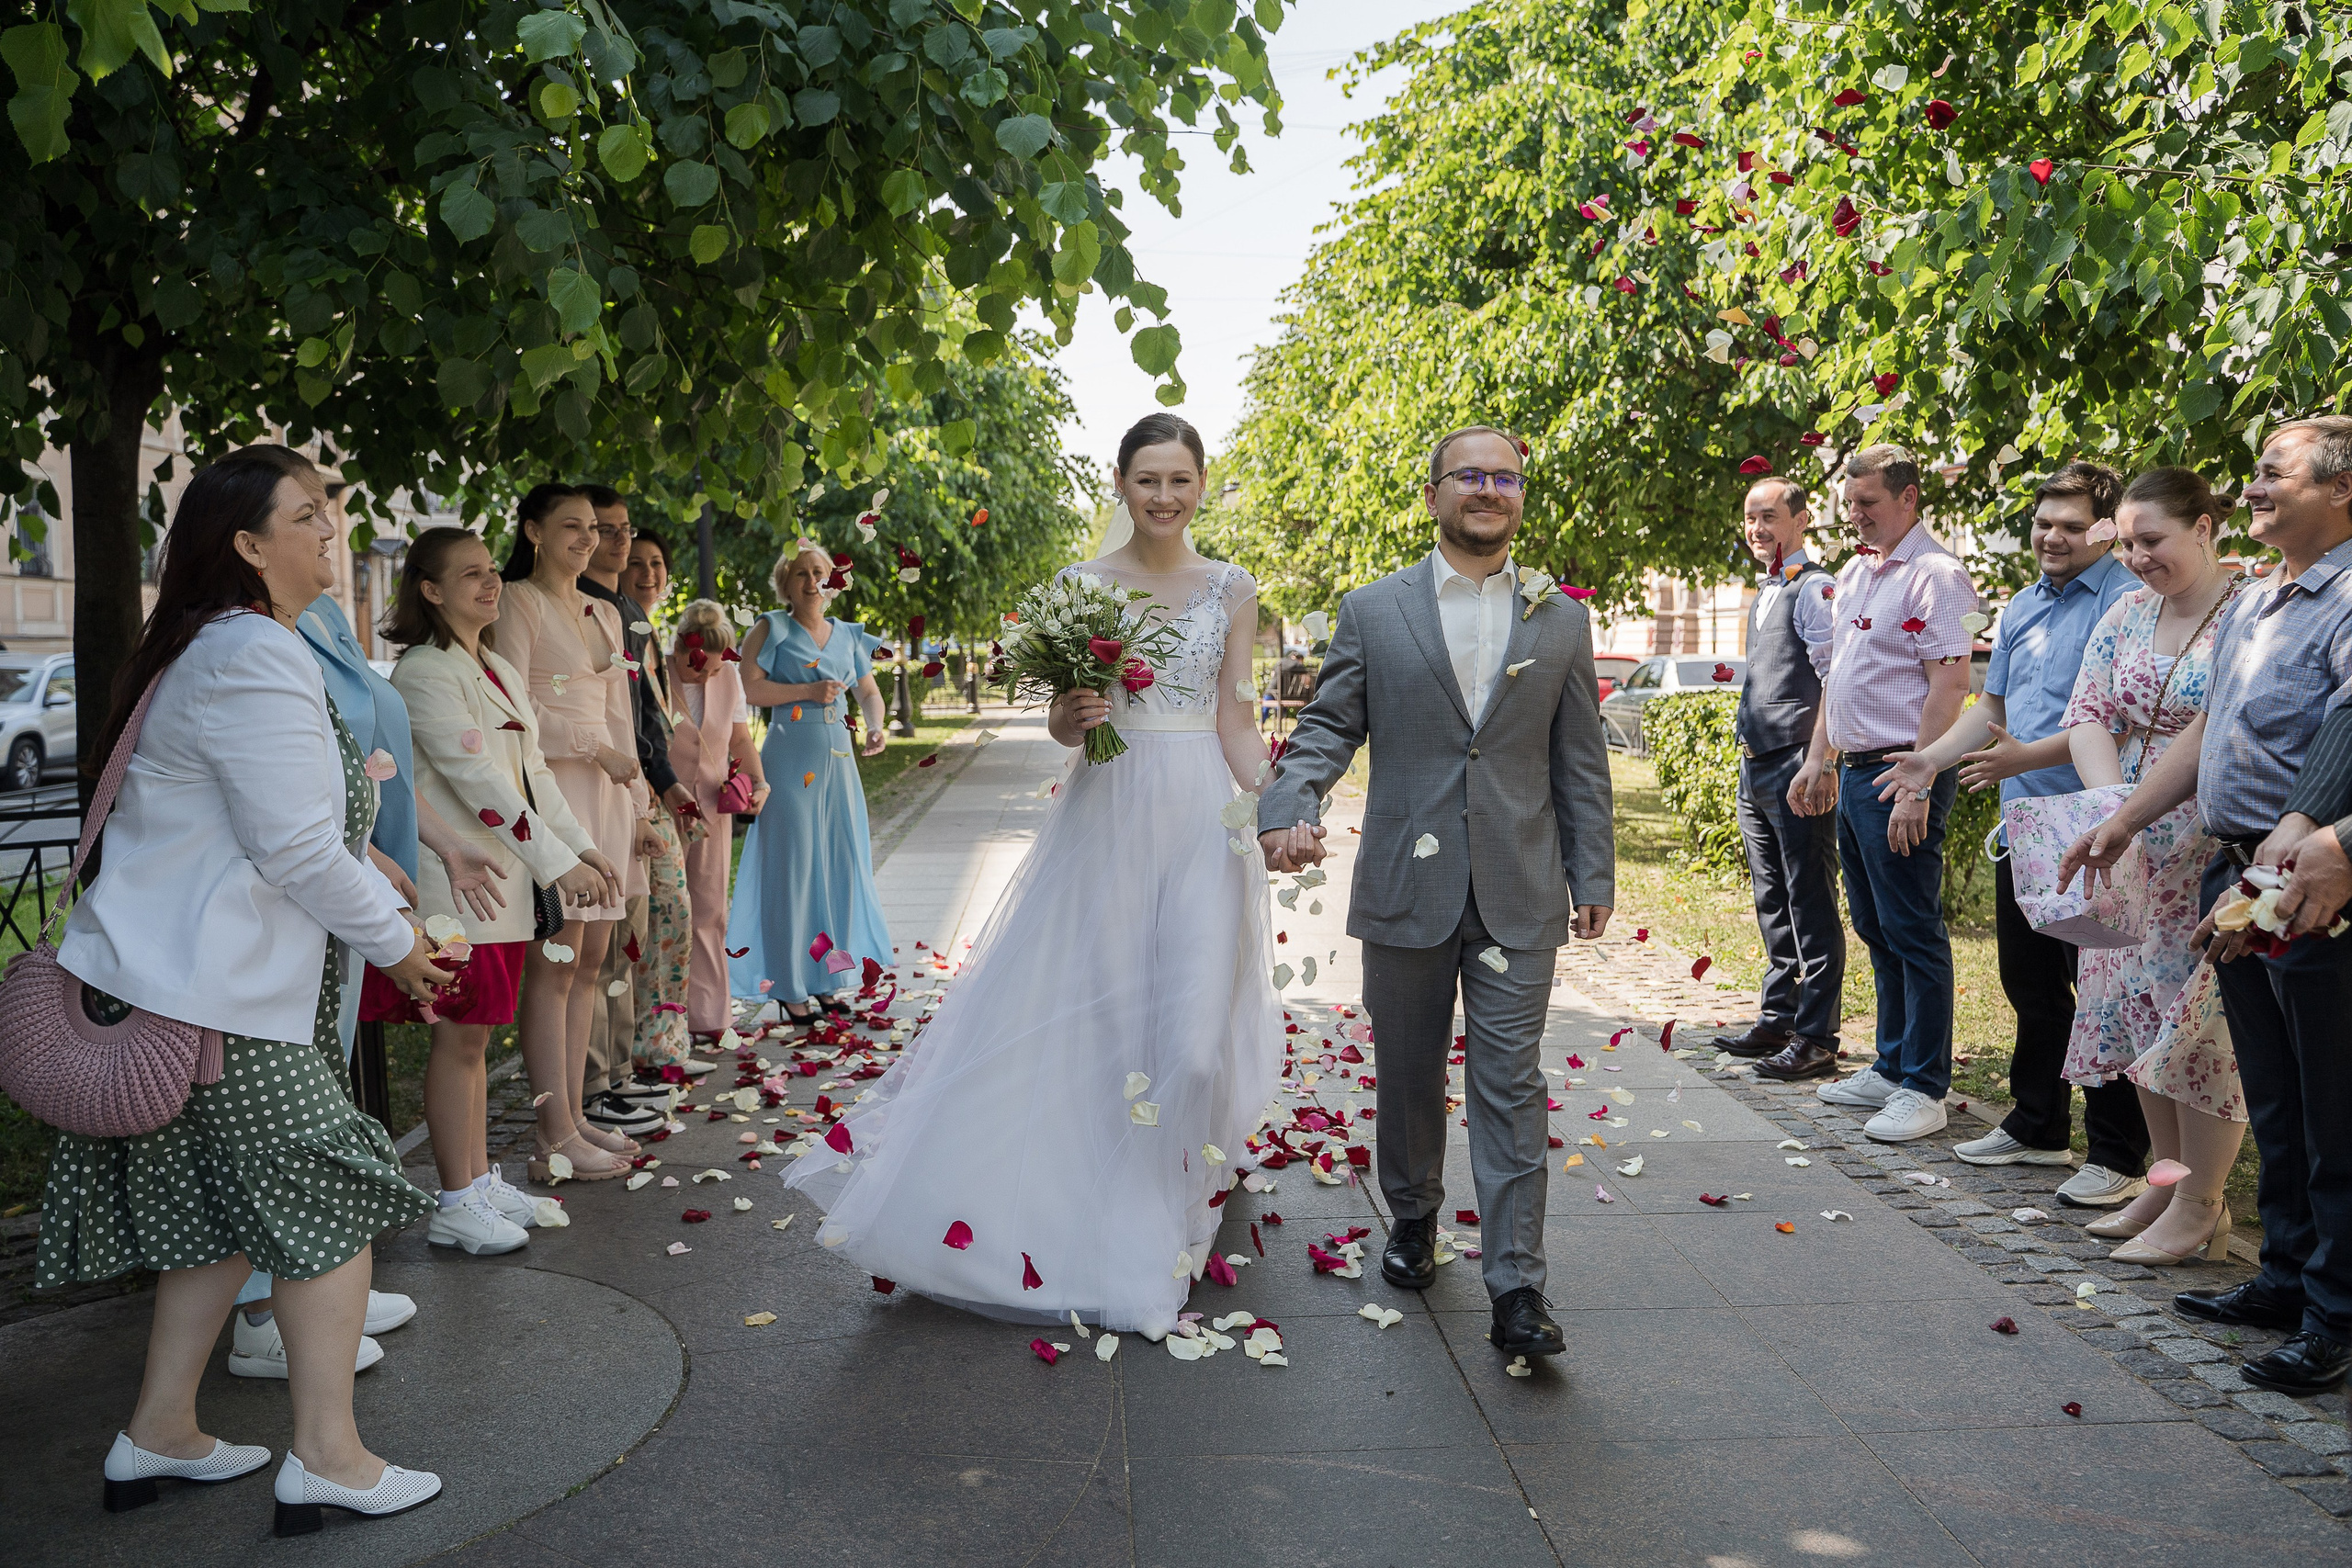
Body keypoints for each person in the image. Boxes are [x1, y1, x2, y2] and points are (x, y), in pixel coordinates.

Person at [780, 413, 1282, 1339]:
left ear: (1201, 483)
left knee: (1199, 1042)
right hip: (1111, 814)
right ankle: (1136, 1224)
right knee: (1117, 1022)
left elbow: (1236, 720)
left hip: (1207, 823)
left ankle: (1182, 1178)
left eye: (1179, 479)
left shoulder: (1233, 589)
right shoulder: (1080, 588)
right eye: (1147, 481)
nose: (1163, 497)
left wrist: (1279, 806)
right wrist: (1074, 711)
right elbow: (1061, 722)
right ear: (1121, 485)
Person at [38, 450, 451, 1531]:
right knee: (331, 1199)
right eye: (308, 516)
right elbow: (293, 853)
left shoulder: (219, 646)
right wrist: (400, 940)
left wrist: (369, 865)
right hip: (217, 1004)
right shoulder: (254, 654)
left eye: (332, 512)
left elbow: (269, 828)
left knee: (216, 1224)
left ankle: (161, 1433)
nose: (333, 532)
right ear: (249, 547)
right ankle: (330, 1458)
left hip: (187, 994)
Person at [1261, 423, 1616, 1361]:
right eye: (1470, 476)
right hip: (1405, 886)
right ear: (1433, 495)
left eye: (1505, 477)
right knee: (1409, 1074)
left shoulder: (1561, 618)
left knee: (1510, 1083)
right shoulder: (1374, 610)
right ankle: (1413, 1217)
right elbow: (1328, 725)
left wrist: (1593, 872)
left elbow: (1579, 760)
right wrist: (1286, 801)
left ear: (1520, 497)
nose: (1488, 490)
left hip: (1520, 885)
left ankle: (1517, 1289)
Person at [2064, 417, 2352, 1395]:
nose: (2255, 487)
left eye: (2275, 473)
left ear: (2340, 492)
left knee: (2330, 1110)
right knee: (2274, 1098)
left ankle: (2333, 1316)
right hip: (2243, 877)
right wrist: (2124, 818)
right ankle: (2284, 1279)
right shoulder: (2267, 597)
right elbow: (2207, 736)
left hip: (2315, 885)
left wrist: (2313, 823)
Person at [1871, 461, 2146, 1194]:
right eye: (2042, 522)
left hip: (2097, 822)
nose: (2051, 537)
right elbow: (1991, 709)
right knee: (2031, 984)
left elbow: (2112, 721)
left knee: (2102, 989)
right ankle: (2038, 1125)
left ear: (2106, 527)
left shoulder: (2127, 601)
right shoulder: (2023, 604)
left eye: (2069, 524)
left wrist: (2026, 754)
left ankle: (2117, 1152)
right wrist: (1929, 759)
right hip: (2024, 823)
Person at [377, 526, 624, 1253]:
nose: (491, 584)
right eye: (470, 575)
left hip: (501, 886)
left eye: (491, 571)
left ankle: (479, 1180)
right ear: (429, 589)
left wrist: (581, 846)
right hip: (462, 891)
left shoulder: (493, 667)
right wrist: (557, 862)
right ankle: (455, 1196)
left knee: (478, 1035)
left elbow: (532, 777)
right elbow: (478, 782)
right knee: (459, 1038)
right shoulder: (424, 670)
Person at [2050, 469, 2245, 1260]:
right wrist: (2113, 811)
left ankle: (2204, 1202)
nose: (2134, 557)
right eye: (2124, 542)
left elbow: (2216, 721)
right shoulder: (2128, 612)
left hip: (2206, 840)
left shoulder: (2248, 611)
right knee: (2140, 1020)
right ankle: (2165, 1186)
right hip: (2127, 847)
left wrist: (2138, 810)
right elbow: (2087, 711)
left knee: (2196, 1028)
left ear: (2203, 527)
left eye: (2151, 540)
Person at [1788, 445, 1976, 1143]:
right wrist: (1818, 758)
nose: (1856, 515)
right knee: (1874, 923)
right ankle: (1892, 1064)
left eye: (1869, 503)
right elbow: (1838, 678)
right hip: (1857, 768)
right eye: (1851, 503)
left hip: (1905, 770)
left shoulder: (1939, 576)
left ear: (1909, 499)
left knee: (1913, 928)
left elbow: (1951, 686)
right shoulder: (1857, 573)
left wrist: (1919, 781)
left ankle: (1925, 1084)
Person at [496, 484, 648, 1181]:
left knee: (589, 961)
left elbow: (622, 715)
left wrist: (640, 805)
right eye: (572, 526)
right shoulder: (517, 601)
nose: (588, 538)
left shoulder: (603, 611)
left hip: (609, 793)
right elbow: (512, 709)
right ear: (533, 530)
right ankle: (551, 1131)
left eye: (594, 527)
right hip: (555, 789)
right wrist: (591, 747)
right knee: (554, 965)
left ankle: (579, 1115)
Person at [1713, 478, 1844, 1079]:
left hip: (1797, 764)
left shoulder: (1815, 588)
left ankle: (1816, 1034)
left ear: (1801, 519)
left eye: (1769, 517)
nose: (1757, 528)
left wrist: (1822, 761)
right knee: (1772, 900)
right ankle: (1778, 1015)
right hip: (1756, 766)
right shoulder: (1767, 589)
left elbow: (1836, 679)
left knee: (1809, 899)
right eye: (1749, 518)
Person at [725, 546, 890, 1021]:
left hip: (839, 763)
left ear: (833, 582)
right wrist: (807, 691)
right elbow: (749, 688)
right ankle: (789, 985)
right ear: (786, 583)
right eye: (802, 574)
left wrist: (876, 724)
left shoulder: (849, 635)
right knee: (792, 871)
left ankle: (827, 979)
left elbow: (869, 691)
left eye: (820, 573)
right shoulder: (770, 627)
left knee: (837, 868)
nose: (813, 581)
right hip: (788, 759)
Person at [576, 486, 689, 1133]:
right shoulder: (577, 608)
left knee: (628, 940)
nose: (617, 542)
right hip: (592, 788)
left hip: (632, 788)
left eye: (623, 529)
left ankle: (618, 1072)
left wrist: (659, 783)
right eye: (604, 530)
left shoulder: (623, 611)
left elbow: (641, 716)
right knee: (595, 950)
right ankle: (596, 1083)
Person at [666, 597, 768, 1038]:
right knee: (666, 912)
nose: (705, 675)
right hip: (659, 806)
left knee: (709, 910)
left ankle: (708, 1017)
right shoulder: (656, 671)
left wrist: (759, 783)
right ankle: (662, 1020)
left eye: (712, 668)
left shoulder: (728, 677)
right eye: (697, 668)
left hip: (712, 807)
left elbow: (741, 740)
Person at [622, 530, 699, 1066]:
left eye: (657, 562)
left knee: (673, 917)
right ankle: (642, 1052)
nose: (650, 573)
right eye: (637, 562)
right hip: (632, 795)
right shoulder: (621, 629)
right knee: (652, 920)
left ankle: (664, 1046)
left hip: (657, 792)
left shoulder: (647, 631)